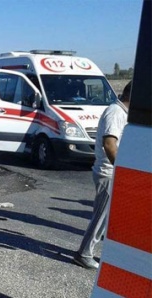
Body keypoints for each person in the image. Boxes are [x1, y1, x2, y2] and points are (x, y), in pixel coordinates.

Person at [73, 81, 132, 269]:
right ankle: (84, 254)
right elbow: (109, 144)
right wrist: (121, 170)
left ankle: (101, 252)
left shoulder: (121, 113)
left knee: (108, 217)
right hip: (108, 172)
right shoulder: (115, 113)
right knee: (100, 216)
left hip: (112, 171)